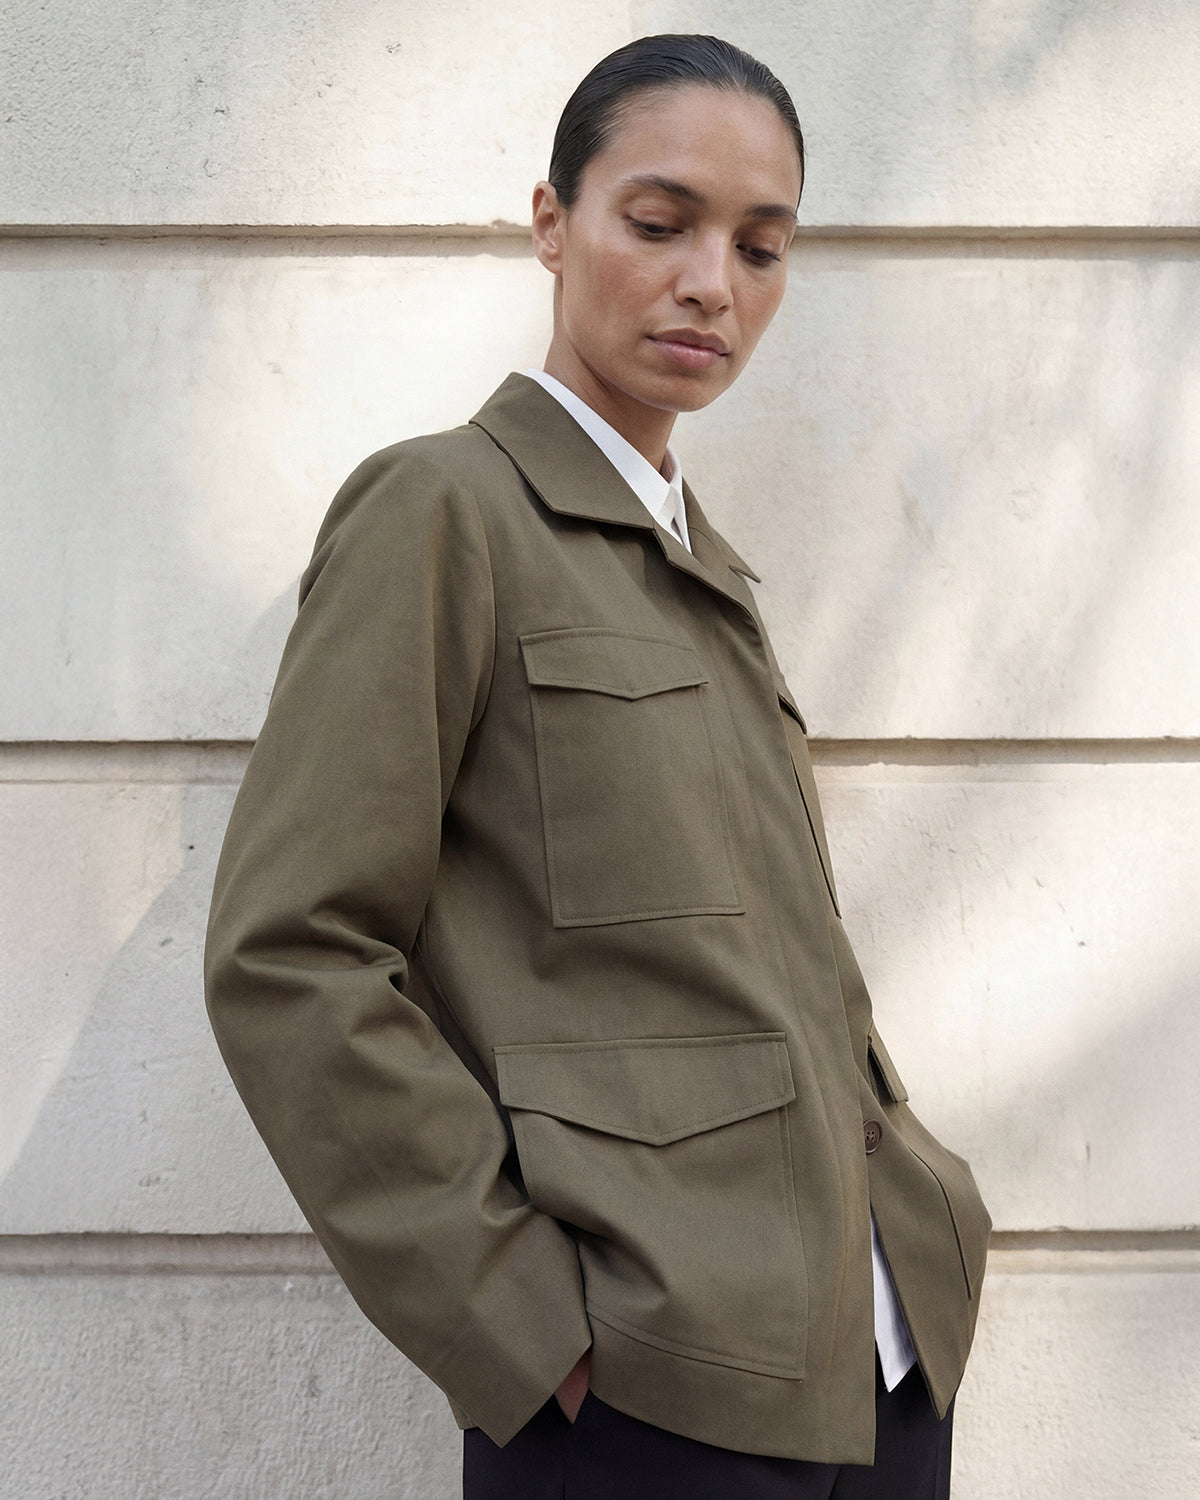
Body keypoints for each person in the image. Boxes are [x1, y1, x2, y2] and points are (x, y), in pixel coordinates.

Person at [204, 33, 990, 1500]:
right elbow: (290, 954)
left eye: (760, 247)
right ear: (553, 224)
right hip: (647, 1393)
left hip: (877, 1364)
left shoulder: (707, 569)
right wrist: (520, 1327)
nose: (712, 283)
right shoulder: (443, 511)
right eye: (660, 221)